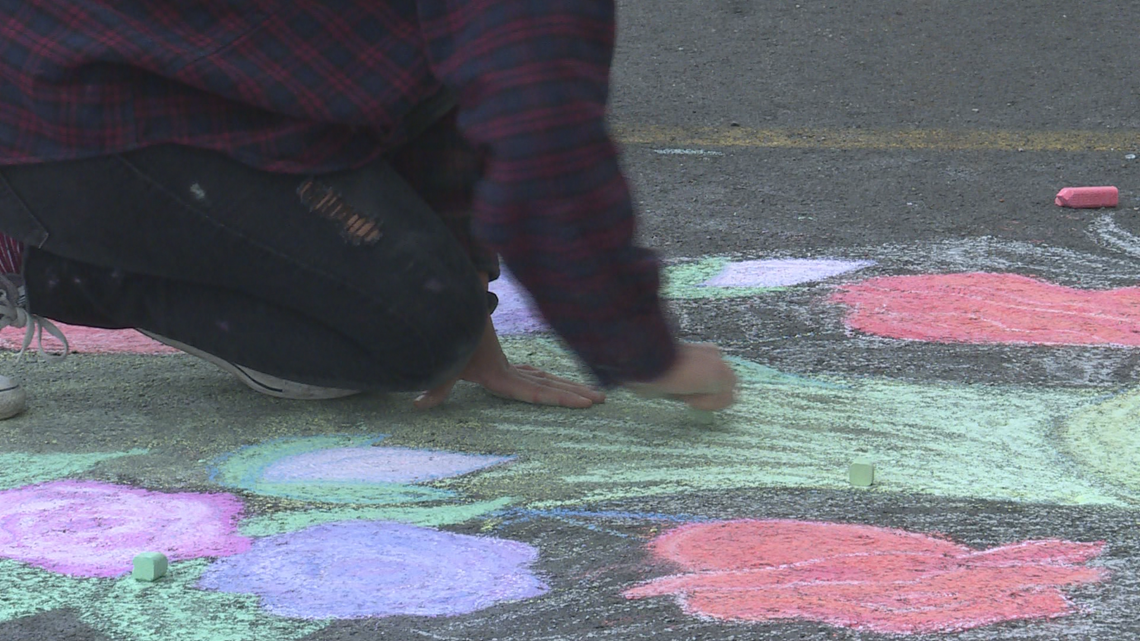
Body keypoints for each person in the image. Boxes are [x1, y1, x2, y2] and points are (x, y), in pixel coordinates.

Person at [0, 0, 737, 419]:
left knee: (435, 318)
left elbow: (443, 85)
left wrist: (468, 293)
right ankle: (34, 260)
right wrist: (642, 351)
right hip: (63, 105)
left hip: (142, 73)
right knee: (418, 334)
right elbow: (541, 134)